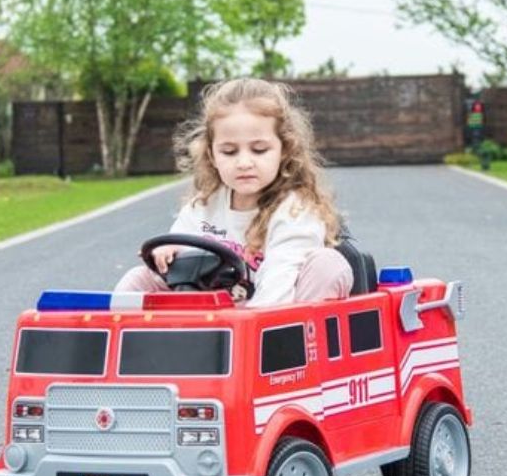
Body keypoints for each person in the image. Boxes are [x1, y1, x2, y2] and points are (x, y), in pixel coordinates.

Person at [115, 78, 353, 307]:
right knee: (139, 278)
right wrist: (167, 254)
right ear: (212, 156)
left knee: (327, 265)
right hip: (212, 314)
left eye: (259, 150)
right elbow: (181, 247)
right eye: (229, 152)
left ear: (284, 150)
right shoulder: (205, 205)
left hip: (277, 315)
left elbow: (279, 277)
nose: (244, 162)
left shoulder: (295, 211)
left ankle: (293, 347)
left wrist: (252, 328)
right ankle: (125, 343)